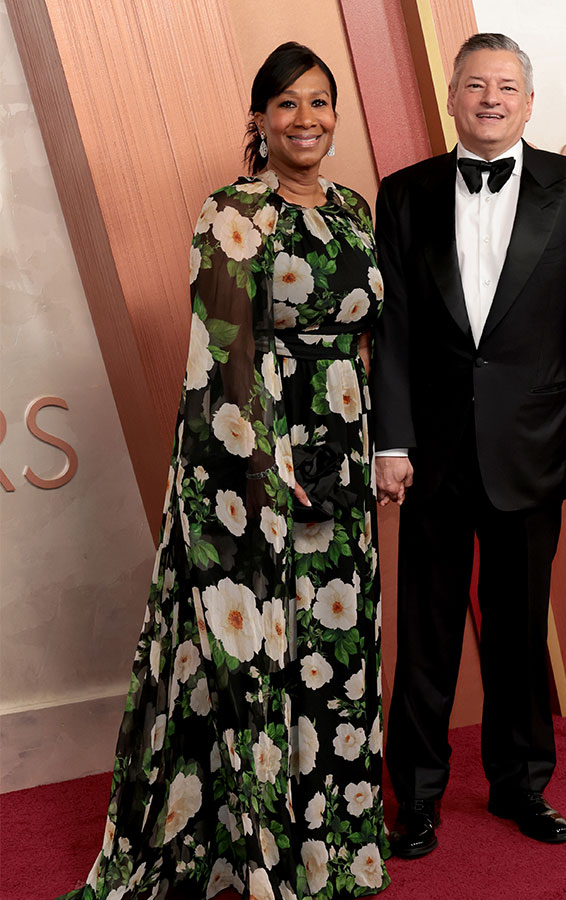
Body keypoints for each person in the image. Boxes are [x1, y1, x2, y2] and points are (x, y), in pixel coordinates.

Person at [56, 42, 390, 900]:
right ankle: (268, 854)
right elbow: (226, 357)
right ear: (258, 118)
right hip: (258, 475)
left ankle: (335, 846)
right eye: (286, 104)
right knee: (268, 659)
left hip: (342, 459)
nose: (305, 119)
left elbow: (369, 341)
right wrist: (273, 472)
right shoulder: (232, 212)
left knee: (337, 646)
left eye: (319, 103)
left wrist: (374, 448)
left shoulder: (354, 209)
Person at [371, 32, 566, 856]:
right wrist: (392, 441)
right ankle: (414, 798)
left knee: (521, 634)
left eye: (507, 86)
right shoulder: (404, 191)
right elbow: (396, 332)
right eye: (476, 85)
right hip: (433, 457)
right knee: (426, 636)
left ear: (529, 101)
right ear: (452, 97)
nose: (491, 99)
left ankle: (521, 787)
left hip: (533, 447)